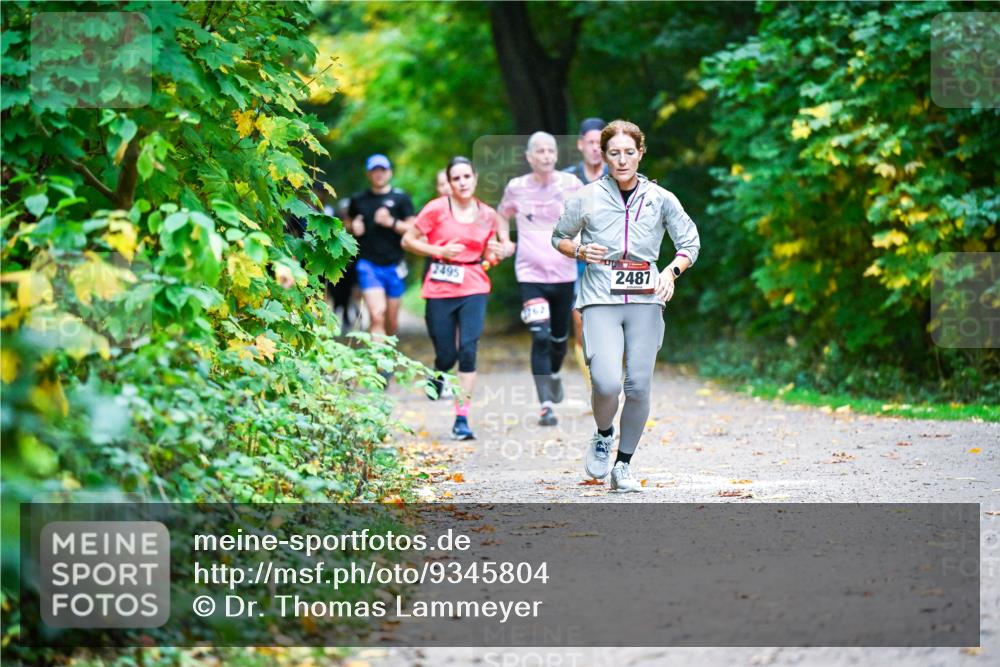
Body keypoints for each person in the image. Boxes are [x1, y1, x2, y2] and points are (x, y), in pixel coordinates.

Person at [552, 120, 700, 492]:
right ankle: (604, 433)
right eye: (614, 153)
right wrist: (580, 250)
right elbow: (559, 237)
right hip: (601, 297)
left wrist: (671, 272)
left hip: (646, 299)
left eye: (629, 153)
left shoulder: (660, 198)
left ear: (640, 154)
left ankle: (623, 465)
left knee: (639, 387)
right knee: (605, 383)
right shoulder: (586, 197)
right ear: (603, 155)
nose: (622, 160)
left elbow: (690, 242)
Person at [402, 157, 503, 440]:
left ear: (475, 178)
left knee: (468, 350)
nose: (462, 182)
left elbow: (489, 254)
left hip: (474, 285)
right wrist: (439, 251)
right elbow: (408, 240)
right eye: (456, 178)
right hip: (440, 287)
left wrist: (496, 254)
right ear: (449, 182)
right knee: (447, 354)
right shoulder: (436, 209)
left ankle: (462, 418)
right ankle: (439, 371)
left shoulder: (487, 215)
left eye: (467, 176)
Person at [496, 132, 583, 426]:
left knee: (558, 339)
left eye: (550, 151)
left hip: (564, 273)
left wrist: (582, 240)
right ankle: (545, 405)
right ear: (529, 157)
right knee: (541, 336)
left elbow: (589, 215)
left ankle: (555, 373)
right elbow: (501, 215)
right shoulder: (516, 187)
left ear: (556, 155)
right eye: (540, 151)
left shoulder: (572, 184)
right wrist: (504, 241)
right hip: (530, 274)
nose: (546, 156)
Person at [347, 154, 416, 338]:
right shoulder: (358, 199)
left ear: (389, 173)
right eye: (374, 170)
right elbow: (347, 225)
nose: (378, 174)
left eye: (382, 170)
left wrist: (391, 222)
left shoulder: (401, 198)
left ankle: (387, 351)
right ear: (368, 174)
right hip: (368, 264)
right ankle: (378, 357)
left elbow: (414, 229)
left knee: (391, 322)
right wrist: (353, 227)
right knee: (377, 315)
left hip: (395, 265)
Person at [564, 118, 609, 387]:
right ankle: (595, 387)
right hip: (577, 258)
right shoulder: (567, 178)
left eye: (599, 143)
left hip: (612, 259)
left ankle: (610, 380)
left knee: (614, 322)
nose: (595, 148)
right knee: (580, 322)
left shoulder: (619, 174)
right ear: (581, 144)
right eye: (590, 142)